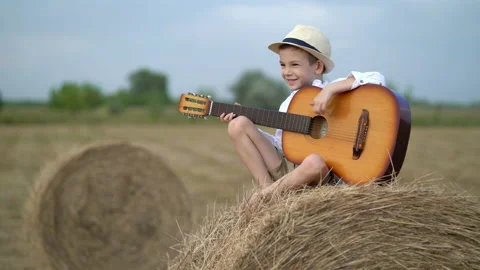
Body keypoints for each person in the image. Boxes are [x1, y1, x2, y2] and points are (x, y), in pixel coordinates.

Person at [218, 24, 386, 201]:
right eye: (283, 65)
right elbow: (284, 146)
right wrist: (244, 118)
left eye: (294, 65)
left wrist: (330, 90)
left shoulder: (335, 90)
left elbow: (377, 79)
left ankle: (263, 198)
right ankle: (267, 192)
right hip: (294, 176)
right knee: (238, 125)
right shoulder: (289, 104)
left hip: (327, 176)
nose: (287, 72)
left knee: (314, 161)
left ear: (318, 67)